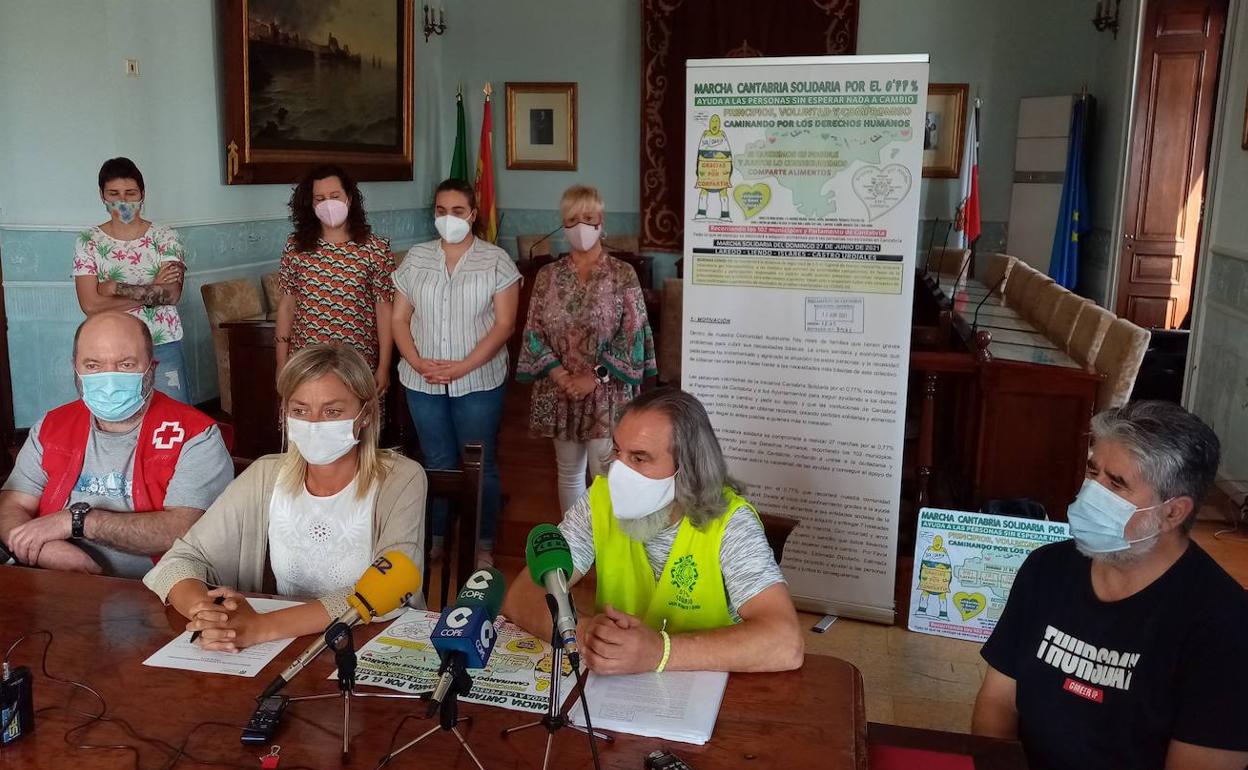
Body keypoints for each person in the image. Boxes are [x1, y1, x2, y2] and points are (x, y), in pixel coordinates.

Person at [972, 400, 1248, 770]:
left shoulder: (1224, 625)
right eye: (1092, 471)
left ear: (1172, 512)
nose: (1091, 493)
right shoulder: (1047, 568)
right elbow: (997, 703)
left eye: (1116, 484)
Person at [144, 344, 427, 652]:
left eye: (332, 411)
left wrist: (264, 627)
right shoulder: (265, 475)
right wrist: (206, 613)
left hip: (370, 645)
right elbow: (181, 560)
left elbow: (395, 585)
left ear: (366, 415)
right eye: (300, 411)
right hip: (285, 648)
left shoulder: (402, 478)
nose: (315, 423)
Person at [501, 388, 804, 674]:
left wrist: (659, 652)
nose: (619, 471)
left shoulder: (730, 522)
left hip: (708, 692)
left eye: (639, 458)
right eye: (618, 451)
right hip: (619, 688)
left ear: (687, 467)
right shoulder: (600, 500)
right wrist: (582, 633)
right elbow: (522, 596)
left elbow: (785, 643)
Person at [0, 313, 232, 578]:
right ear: (75, 367)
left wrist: (78, 522)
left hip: (160, 593)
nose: (109, 381)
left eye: (125, 365)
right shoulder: (52, 427)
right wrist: (45, 550)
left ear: (151, 368)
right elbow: (11, 505)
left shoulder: (195, 434)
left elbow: (184, 530)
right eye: (93, 365)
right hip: (55, 584)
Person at [392, 178, 520, 566]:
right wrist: (415, 361)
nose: (449, 219)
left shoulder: (496, 260)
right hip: (421, 380)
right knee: (436, 459)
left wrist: (464, 366)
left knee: (479, 460)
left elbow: (504, 325)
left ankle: (482, 543)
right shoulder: (416, 258)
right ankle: (436, 539)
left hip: (478, 381)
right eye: (441, 211)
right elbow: (399, 318)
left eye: (458, 211)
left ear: (473, 214)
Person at [516, 185, 657, 514]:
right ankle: (577, 545)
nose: (581, 226)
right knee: (568, 473)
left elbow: (633, 334)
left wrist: (593, 378)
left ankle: (612, 547)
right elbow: (533, 332)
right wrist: (561, 375)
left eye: (588, 218)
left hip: (608, 393)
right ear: (563, 225)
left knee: (608, 475)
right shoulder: (548, 276)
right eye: (572, 219)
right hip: (560, 390)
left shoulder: (622, 275)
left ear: (601, 221)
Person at [73, 157, 190, 401]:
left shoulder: (165, 236)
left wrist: (114, 288)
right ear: (102, 195)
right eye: (114, 193)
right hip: (112, 347)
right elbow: (90, 305)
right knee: (122, 418)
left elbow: (170, 294)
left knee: (173, 418)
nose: (123, 201)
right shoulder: (88, 241)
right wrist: (151, 291)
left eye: (130, 192)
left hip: (163, 343)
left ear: (143, 194)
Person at [277, 164, 395, 394]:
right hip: (306, 361)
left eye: (334, 196)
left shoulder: (376, 248)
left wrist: (384, 366)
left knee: (356, 425)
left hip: (358, 362)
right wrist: (281, 363)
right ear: (310, 205)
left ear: (349, 198)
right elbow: (286, 306)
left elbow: (384, 310)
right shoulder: (296, 247)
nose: (328, 204)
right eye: (319, 198)